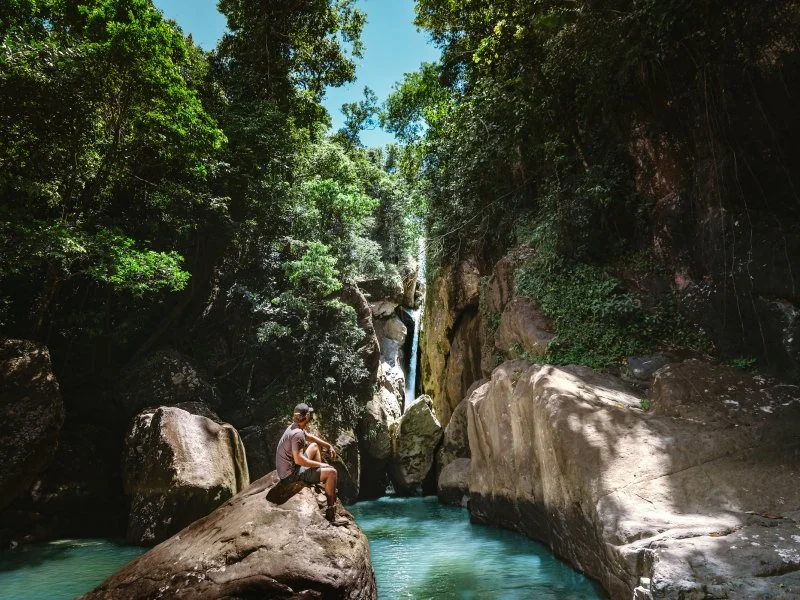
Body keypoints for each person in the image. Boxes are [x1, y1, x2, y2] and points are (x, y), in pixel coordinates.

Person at [275, 403, 343, 523]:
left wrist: (328, 445)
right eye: (309, 413)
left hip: (288, 468)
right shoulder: (297, 435)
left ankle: (318, 478)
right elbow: (299, 460)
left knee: (315, 446)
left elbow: (309, 437)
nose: (310, 415)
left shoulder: (294, 427)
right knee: (332, 472)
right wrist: (321, 465)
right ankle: (331, 512)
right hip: (291, 475)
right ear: (306, 416)